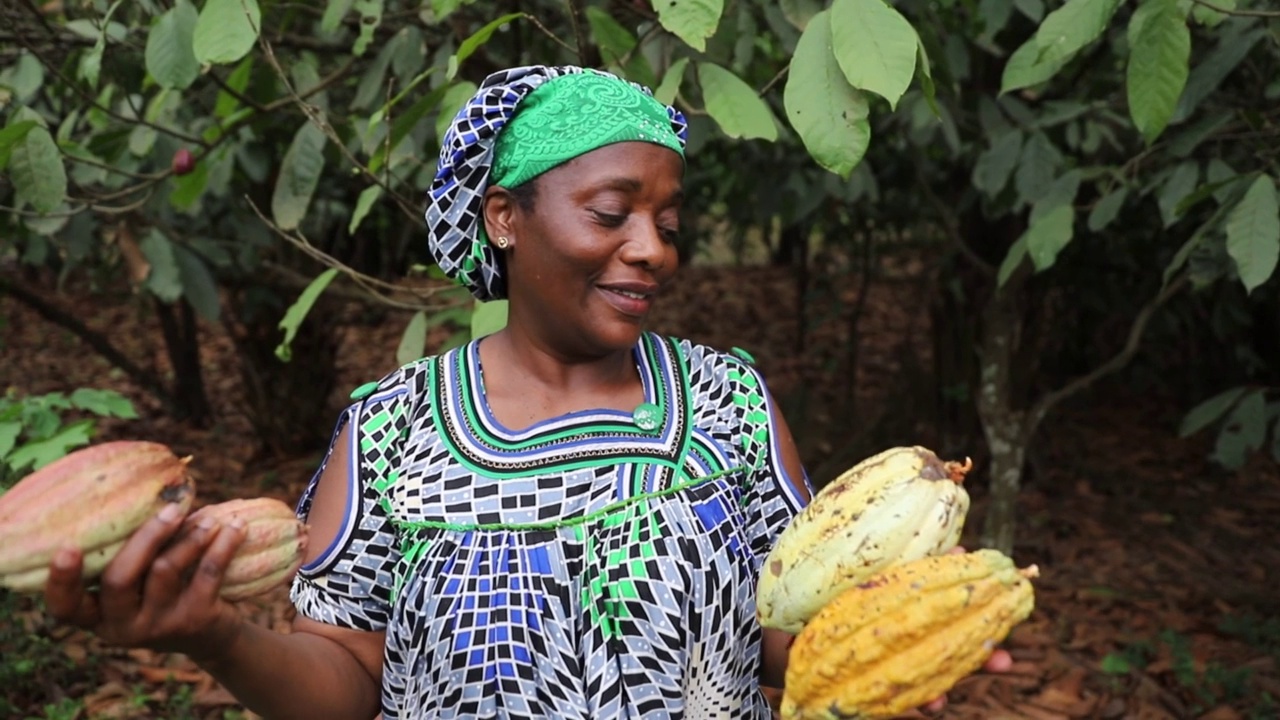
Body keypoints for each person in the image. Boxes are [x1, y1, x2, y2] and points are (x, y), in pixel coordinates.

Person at [41, 65, 1009, 719]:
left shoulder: (727, 404)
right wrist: (209, 630)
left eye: (667, 221)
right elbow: (344, 679)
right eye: (610, 213)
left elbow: (790, 631)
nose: (651, 249)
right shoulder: (390, 434)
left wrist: (901, 654)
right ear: (504, 217)